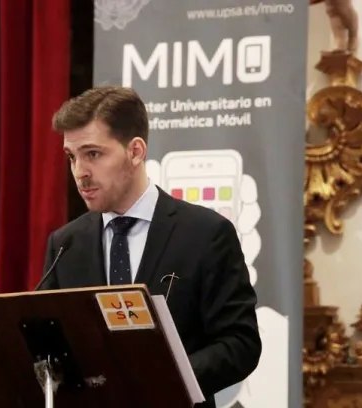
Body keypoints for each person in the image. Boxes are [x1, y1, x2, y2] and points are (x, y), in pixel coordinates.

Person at [39, 86, 261, 407]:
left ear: (135, 151)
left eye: (93, 154)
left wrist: (162, 379)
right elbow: (48, 346)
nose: (80, 172)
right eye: (72, 157)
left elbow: (240, 344)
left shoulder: (205, 234)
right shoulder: (65, 244)